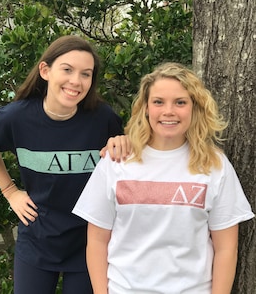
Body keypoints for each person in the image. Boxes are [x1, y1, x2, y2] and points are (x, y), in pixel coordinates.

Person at [73, 62, 255, 294]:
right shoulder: (116, 161)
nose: (169, 111)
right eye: (158, 102)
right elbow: (97, 242)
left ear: (194, 108)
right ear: (146, 108)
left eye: (180, 102)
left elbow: (226, 248)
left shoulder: (214, 165)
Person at [0, 35, 125, 294]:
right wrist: (10, 191)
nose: (76, 81)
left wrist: (124, 145)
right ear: (45, 70)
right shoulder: (17, 117)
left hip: (89, 242)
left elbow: (121, 163)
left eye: (86, 74)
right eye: (67, 70)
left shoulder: (103, 118)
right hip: (38, 239)